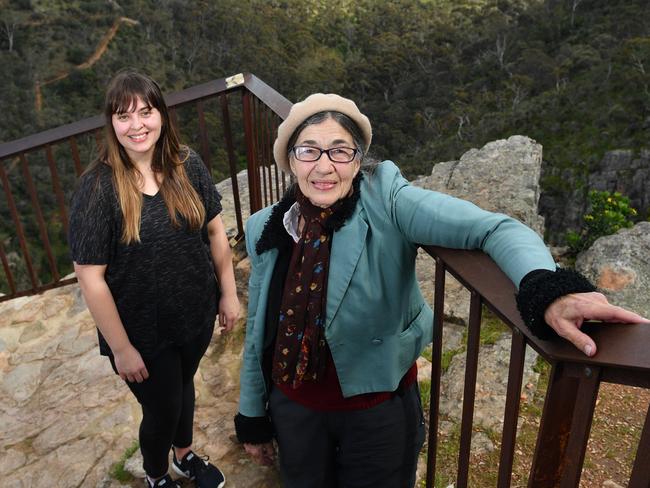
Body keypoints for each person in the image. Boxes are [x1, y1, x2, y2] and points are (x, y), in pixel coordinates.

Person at [233, 93, 647, 488]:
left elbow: (492, 229)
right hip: (294, 408)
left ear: (359, 161)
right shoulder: (268, 227)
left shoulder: (387, 199)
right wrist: (252, 413)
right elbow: (260, 330)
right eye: (309, 150)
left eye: (340, 150)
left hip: (376, 411)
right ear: (290, 161)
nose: (324, 166)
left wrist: (549, 289)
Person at [69, 71, 239, 488]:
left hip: (195, 313)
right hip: (142, 332)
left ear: (161, 114)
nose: (137, 125)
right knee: (162, 410)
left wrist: (228, 294)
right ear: (111, 124)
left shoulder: (186, 164)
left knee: (184, 388)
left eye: (145, 112)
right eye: (123, 116)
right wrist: (122, 349)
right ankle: (156, 475)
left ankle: (184, 457)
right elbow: (91, 279)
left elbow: (216, 232)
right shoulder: (97, 190)